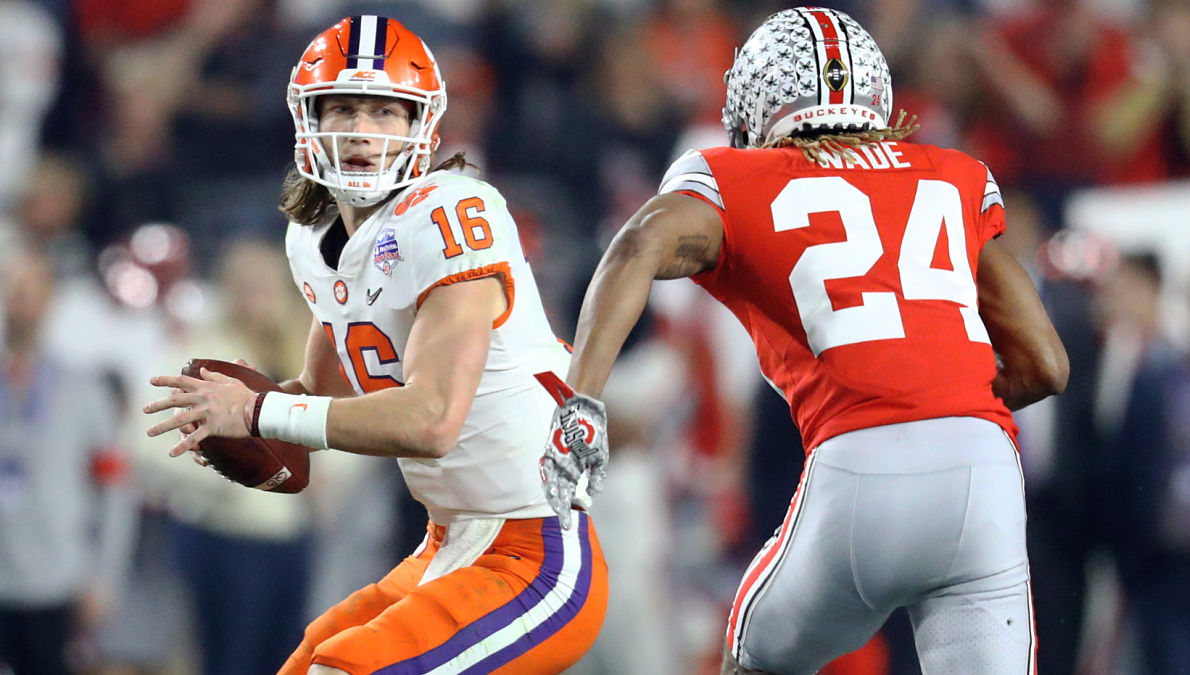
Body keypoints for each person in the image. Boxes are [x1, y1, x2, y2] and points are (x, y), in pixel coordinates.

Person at [538, 7, 1068, 675]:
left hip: (859, 465)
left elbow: (638, 243)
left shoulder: (737, 177)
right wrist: (940, 403)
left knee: (751, 655)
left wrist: (580, 400)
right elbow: (1046, 365)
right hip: (985, 470)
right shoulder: (950, 173)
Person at [142, 15, 607, 675]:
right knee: (306, 664)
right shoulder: (312, 239)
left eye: (384, 111)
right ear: (309, 120)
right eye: (343, 109)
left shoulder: (451, 211)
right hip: (447, 543)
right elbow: (319, 396)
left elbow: (432, 420)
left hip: (534, 555)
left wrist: (258, 411)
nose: (362, 129)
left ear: (421, 124)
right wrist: (230, 413)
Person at [0, 249, 137, 675]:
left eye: (30, 289)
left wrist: (105, 576)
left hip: (56, 579)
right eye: (11, 288)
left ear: (50, 299)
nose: (19, 300)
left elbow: (114, 489)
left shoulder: (83, 391)